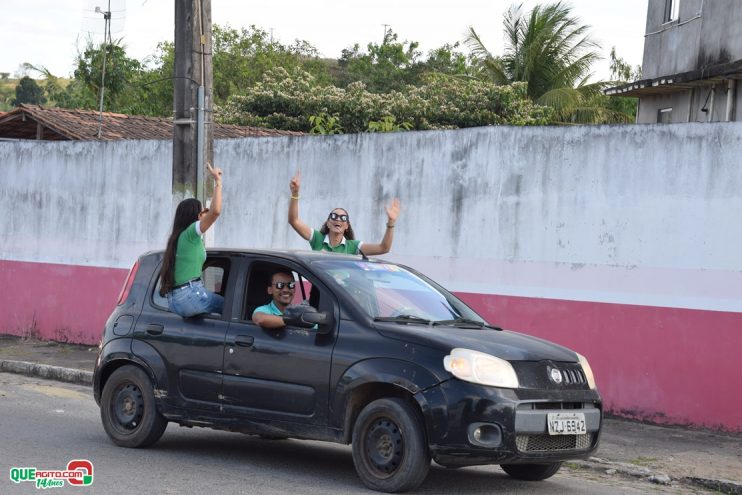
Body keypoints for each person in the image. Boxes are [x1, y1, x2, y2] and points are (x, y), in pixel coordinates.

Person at [158, 163, 224, 317]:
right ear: (195, 215)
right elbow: (216, 212)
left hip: (176, 299)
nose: (205, 214)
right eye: (203, 211)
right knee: (233, 309)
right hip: (191, 294)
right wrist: (218, 182)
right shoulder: (190, 233)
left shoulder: (179, 238)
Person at [288, 171, 400, 255]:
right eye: (334, 216)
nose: (338, 219)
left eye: (343, 218)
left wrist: (391, 223)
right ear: (328, 223)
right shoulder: (318, 238)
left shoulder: (353, 247)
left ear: (346, 226)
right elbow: (294, 221)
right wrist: (295, 193)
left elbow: (383, 248)